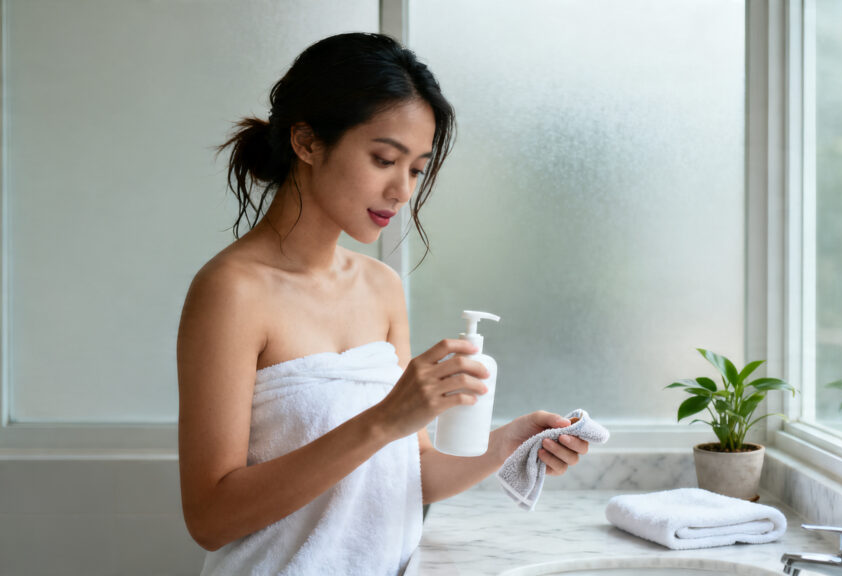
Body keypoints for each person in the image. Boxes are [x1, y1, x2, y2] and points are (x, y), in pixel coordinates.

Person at [176, 32, 590, 575]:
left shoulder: (380, 287)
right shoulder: (232, 292)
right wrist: (386, 419)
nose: (401, 190)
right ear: (306, 142)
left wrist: (506, 445)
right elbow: (209, 518)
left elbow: (408, 471)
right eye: (383, 159)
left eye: (416, 169)